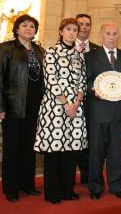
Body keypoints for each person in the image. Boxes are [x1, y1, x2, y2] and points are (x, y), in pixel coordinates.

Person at [0, 14, 44, 202]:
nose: (29, 29)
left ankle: (27, 185)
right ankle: (11, 189)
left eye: (32, 26)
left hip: (34, 107)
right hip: (13, 106)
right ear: (17, 29)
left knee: (29, 148)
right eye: (25, 25)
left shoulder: (39, 50)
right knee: (13, 148)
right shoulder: (7, 48)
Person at [34, 18, 87, 204]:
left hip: (76, 110)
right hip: (55, 108)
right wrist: (67, 104)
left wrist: (77, 102)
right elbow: (51, 81)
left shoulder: (79, 55)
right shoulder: (51, 53)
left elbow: (83, 82)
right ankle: (53, 193)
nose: (73, 32)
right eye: (69, 29)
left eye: (75, 29)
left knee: (70, 153)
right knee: (54, 151)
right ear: (61, 32)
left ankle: (67, 190)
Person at [85, 22, 121, 200]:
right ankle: (95, 187)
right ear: (101, 36)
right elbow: (86, 81)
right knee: (96, 153)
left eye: (115, 34)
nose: (112, 37)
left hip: (120, 112)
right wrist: (97, 89)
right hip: (98, 112)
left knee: (118, 152)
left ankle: (117, 186)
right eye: (108, 33)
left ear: (118, 36)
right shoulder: (90, 57)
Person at [72, 13, 100, 185]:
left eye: (87, 24)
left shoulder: (97, 50)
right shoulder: (65, 47)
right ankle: (68, 174)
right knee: (71, 139)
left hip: (92, 104)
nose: (84, 27)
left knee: (90, 141)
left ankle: (87, 175)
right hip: (69, 103)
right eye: (80, 24)